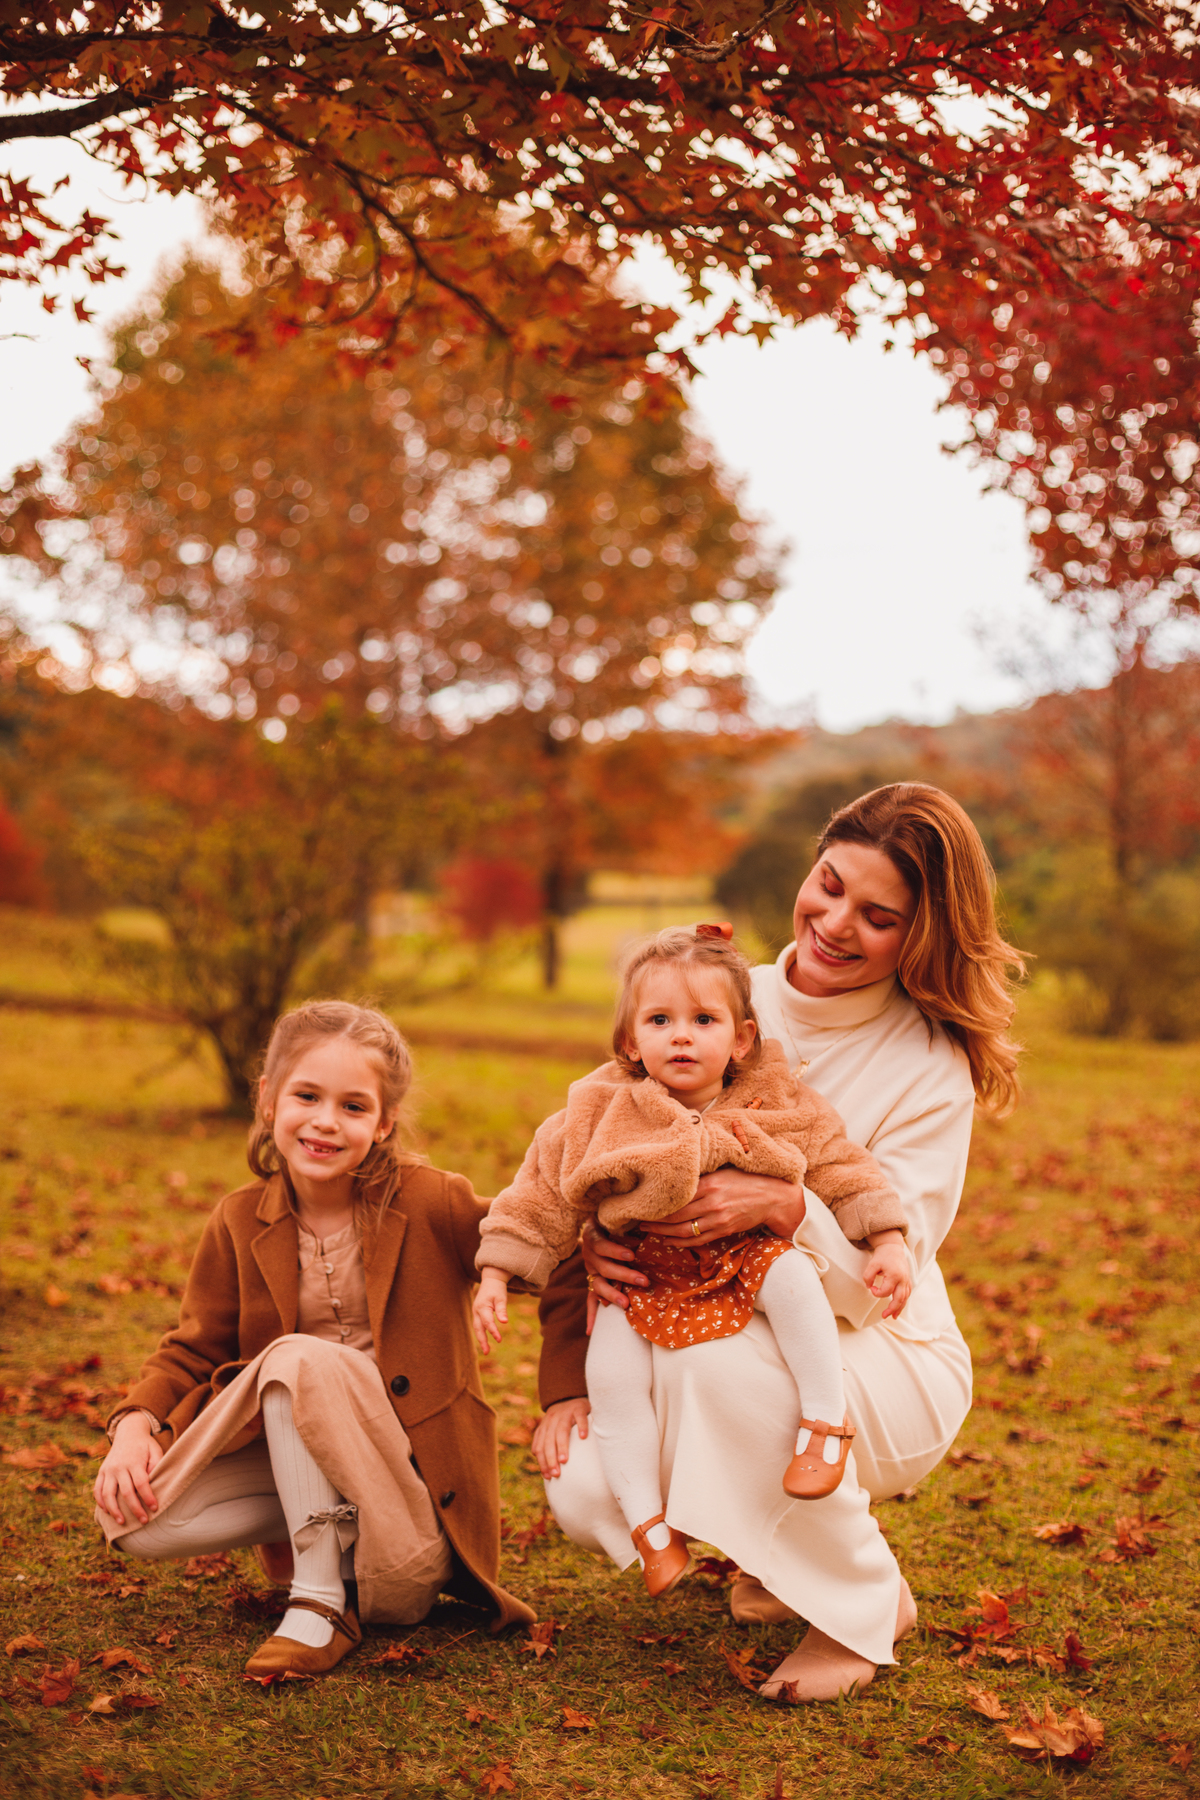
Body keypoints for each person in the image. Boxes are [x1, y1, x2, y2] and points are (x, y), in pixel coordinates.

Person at [534, 783, 1023, 1702]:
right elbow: (588, 1147)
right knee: (589, 1485)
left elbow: (880, 1284)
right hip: (695, 1310)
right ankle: (769, 1544)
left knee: (708, 1363)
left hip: (877, 1349)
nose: (835, 923)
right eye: (828, 884)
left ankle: (861, 1607)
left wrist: (787, 1210)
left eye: (878, 916)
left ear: (920, 935)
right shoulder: (713, 995)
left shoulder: (927, 1068)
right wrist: (591, 1252)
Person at [93, 1001, 532, 1679]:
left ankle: (323, 1602)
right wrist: (135, 1425)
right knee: (138, 1521)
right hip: (331, 1488)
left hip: (415, 1524)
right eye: (307, 1096)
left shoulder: (430, 1200)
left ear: (383, 1123)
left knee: (293, 1362)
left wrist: (508, 1276)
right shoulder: (239, 1219)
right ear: (269, 1100)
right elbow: (193, 1346)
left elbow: (533, 1239)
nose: (327, 1121)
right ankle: (324, 1541)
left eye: (353, 1107)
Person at [474, 924, 911, 1597]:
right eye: (660, 1020)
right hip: (643, 1277)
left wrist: (886, 1238)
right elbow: (536, 1195)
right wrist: (498, 1272)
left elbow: (842, 1166)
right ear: (630, 1041)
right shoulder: (599, 1112)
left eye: (702, 1020)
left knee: (794, 1279)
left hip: (747, 1261)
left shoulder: (778, 1101)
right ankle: (650, 1528)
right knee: (613, 1381)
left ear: (739, 1039)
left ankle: (825, 1424)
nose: (681, 1036)